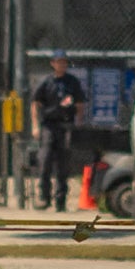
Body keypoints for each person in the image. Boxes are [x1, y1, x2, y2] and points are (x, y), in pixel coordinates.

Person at [33, 55, 86, 210]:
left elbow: (80, 104)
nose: (62, 65)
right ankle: (44, 197)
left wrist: (78, 122)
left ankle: (60, 200)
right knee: (45, 160)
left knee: (63, 164)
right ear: (52, 64)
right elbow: (35, 103)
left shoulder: (72, 82)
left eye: (64, 63)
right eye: (59, 62)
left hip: (66, 125)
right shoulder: (46, 82)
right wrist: (35, 126)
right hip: (49, 125)